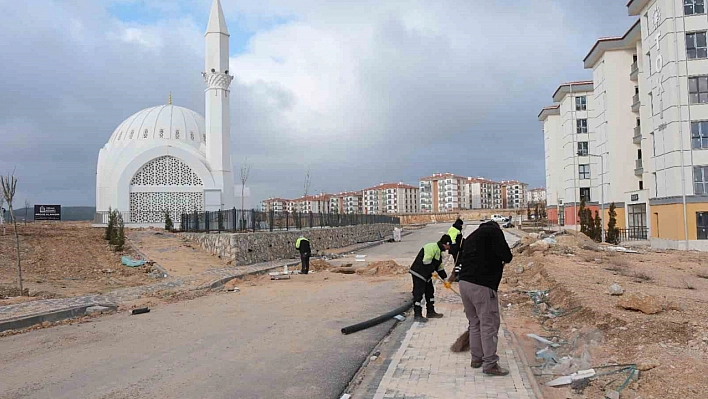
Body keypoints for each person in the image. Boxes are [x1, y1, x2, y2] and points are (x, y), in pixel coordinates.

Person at [448, 220, 512, 376]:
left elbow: (460, 260)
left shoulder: (471, 236)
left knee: (474, 322)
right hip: (482, 286)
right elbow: (507, 256)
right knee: (488, 324)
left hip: (464, 284)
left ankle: (476, 358)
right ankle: (490, 364)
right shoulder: (494, 232)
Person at [409, 234, 452, 323]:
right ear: (445, 244)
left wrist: (445, 279)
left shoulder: (439, 252)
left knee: (430, 292)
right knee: (418, 293)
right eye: (449, 245)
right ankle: (417, 315)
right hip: (419, 273)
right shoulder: (431, 247)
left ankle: (430, 312)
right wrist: (432, 271)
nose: (449, 248)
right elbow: (426, 261)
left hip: (427, 275)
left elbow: (439, 267)